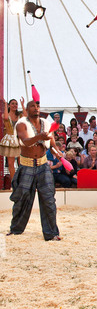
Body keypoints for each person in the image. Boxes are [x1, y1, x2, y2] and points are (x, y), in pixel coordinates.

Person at [7, 100, 61, 241]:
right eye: (33, 106)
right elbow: (26, 141)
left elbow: (52, 142)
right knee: (22, 199)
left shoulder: (46, 123)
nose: (36, 108)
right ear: (27, 108)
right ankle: (15, 229)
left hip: (43, 165)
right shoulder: (21, 124)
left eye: (38, 106)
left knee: (49, 199)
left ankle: (52, 234)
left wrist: (57, 152)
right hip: (26, 165)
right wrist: (40, 137)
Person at [0, 97, 27, 180]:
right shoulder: (5, 114)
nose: (15, 105)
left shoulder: (20, 115)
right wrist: (5, 105)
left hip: (19, 139)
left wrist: (22, 105)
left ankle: (21, 180)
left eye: (16, 104)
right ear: (9, 105)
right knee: (11, 163)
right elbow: (5, 118)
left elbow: (26, 117)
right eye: (12, 104)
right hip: (10, 139)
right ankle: (14, 182)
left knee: (21, 162)